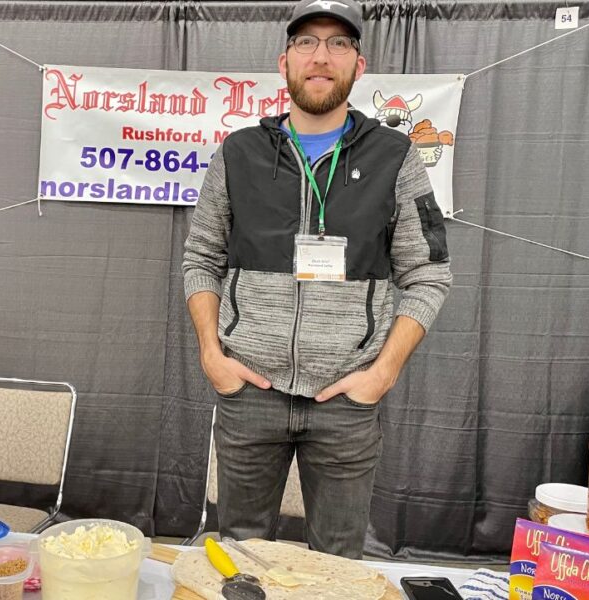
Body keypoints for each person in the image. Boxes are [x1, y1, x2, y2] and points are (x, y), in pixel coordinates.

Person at [182, 0, 452, 558]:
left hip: (347, 401)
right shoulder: (239, 153)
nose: (321, 57)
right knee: (240, 558)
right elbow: (201, 258)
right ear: (284, 62)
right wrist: (212, 354)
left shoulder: (396, 157)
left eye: (338, 44)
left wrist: (381, 374)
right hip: (249, 390)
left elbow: (428, 274)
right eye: (307, 43)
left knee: (337, 564)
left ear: (359, 63)